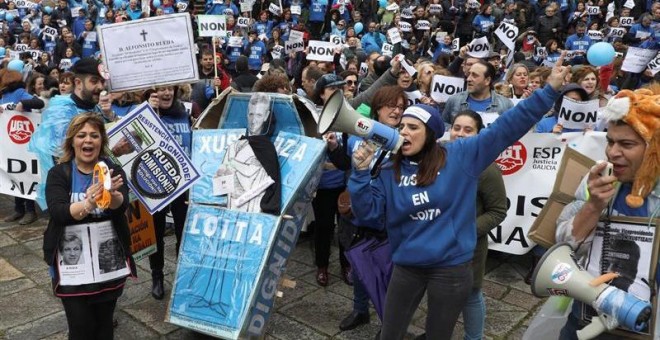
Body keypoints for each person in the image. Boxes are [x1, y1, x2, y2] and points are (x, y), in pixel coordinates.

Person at [347, 53, 568, 340]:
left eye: (413, 127)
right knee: (390, 332)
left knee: (438, 334)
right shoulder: (390, 168)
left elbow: (509, 126)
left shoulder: (461, 155)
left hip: (450, 269)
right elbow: (369, 216)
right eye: (402, 127)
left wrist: (548, 91)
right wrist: (360, 175)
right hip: (406, 267)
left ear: (431, 133)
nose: (404, 132)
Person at [555, 84, 660, 339]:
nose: (613, 153)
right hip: (586, 316)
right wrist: (593, 206)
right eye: (610, 141)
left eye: (626, 144)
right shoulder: (599, 179)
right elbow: (562, 246)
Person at [43, 113, 134, 340]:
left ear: (102, 141)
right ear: (72, 141)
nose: (88, 140)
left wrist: (110, 195)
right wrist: (88, 202)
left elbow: (120, 206)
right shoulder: (58, 173)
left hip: (108, 261)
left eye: (94, 135)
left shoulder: (112, 170)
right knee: (81, 328)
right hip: (73, 263)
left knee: (104, 326)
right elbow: (59, 213)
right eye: (81, 135)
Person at [326, 85, 407, 331]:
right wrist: (334, 148)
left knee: (387, 275)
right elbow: (344, 165)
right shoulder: (359, 135)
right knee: (360, 267)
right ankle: (360, 310)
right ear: (378, 109)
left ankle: (389, 322)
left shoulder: (404, 141)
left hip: (385, 216)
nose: (396, 111)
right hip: (358, 213)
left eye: (401, 107)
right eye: (391, 106)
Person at [450, 110, 507, 340]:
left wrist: (463, 232)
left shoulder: (486, 168)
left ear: (479, 134)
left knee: (471, 294)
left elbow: (497, 212)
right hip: (438, 244)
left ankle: (474, 337)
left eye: (468, 130)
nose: (460, 134)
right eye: (456, 128)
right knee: (440, 292)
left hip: (469, 246)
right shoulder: (439, 158)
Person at [145, 85, 192, 300]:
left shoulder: (186, 112)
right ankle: (157, 275)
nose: (166, 93)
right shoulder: (147, 113)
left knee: (184, 232)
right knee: (157, 233)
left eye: (169, 89)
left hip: (183, 186)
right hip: (156, 184)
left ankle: (184, 276)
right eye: (161, 89)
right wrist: (147, 115)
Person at [442, 60, 514, 123]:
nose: (468, 79)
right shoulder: (454, 100)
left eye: (474, 75)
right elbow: (444, 125)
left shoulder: (506, 105)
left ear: (487, 80)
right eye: (469, 74)